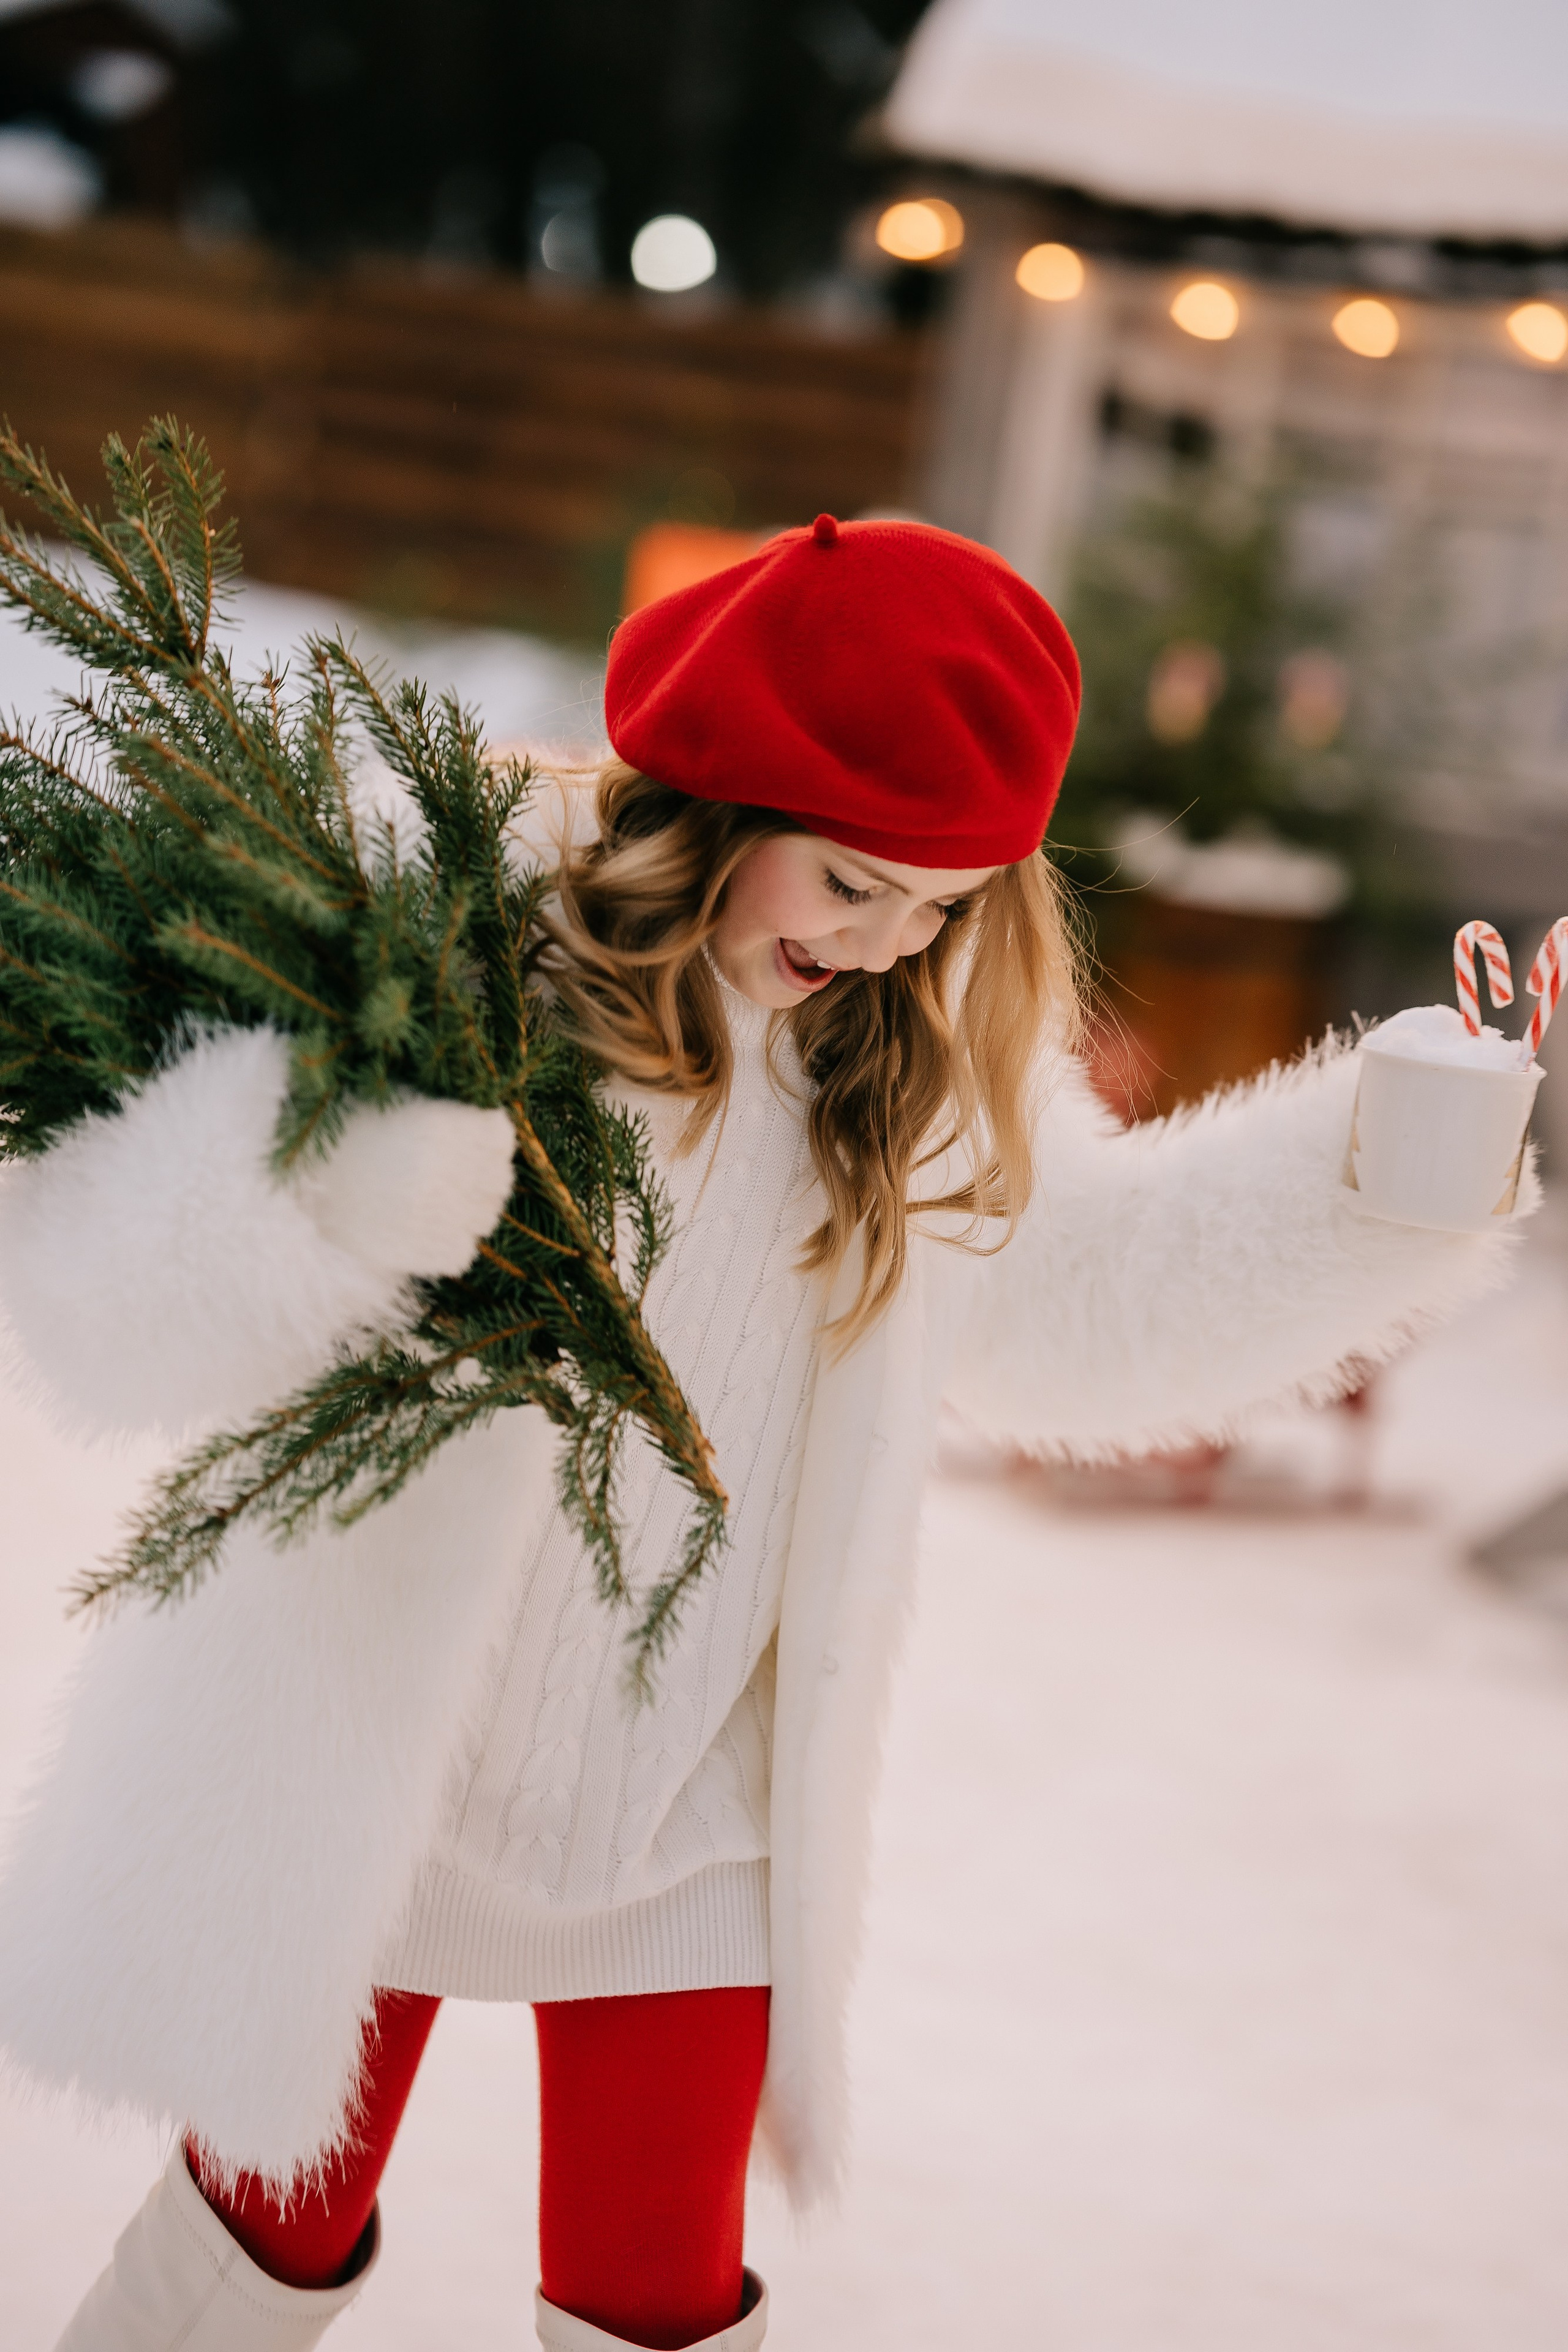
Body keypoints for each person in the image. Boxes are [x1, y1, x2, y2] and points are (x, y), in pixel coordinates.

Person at [0, 517, 1528, 2351]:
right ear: (720, 801)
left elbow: (1102, 1306)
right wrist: (348, 1191)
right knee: (269, 2225)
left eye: (941, 909)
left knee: (660, 2292)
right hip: (387, 1751)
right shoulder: (454, 949)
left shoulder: (904, 1080)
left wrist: (1396, 1164)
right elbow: (118, 1236)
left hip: (685, 1800)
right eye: (853, 882)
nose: (885, 945)